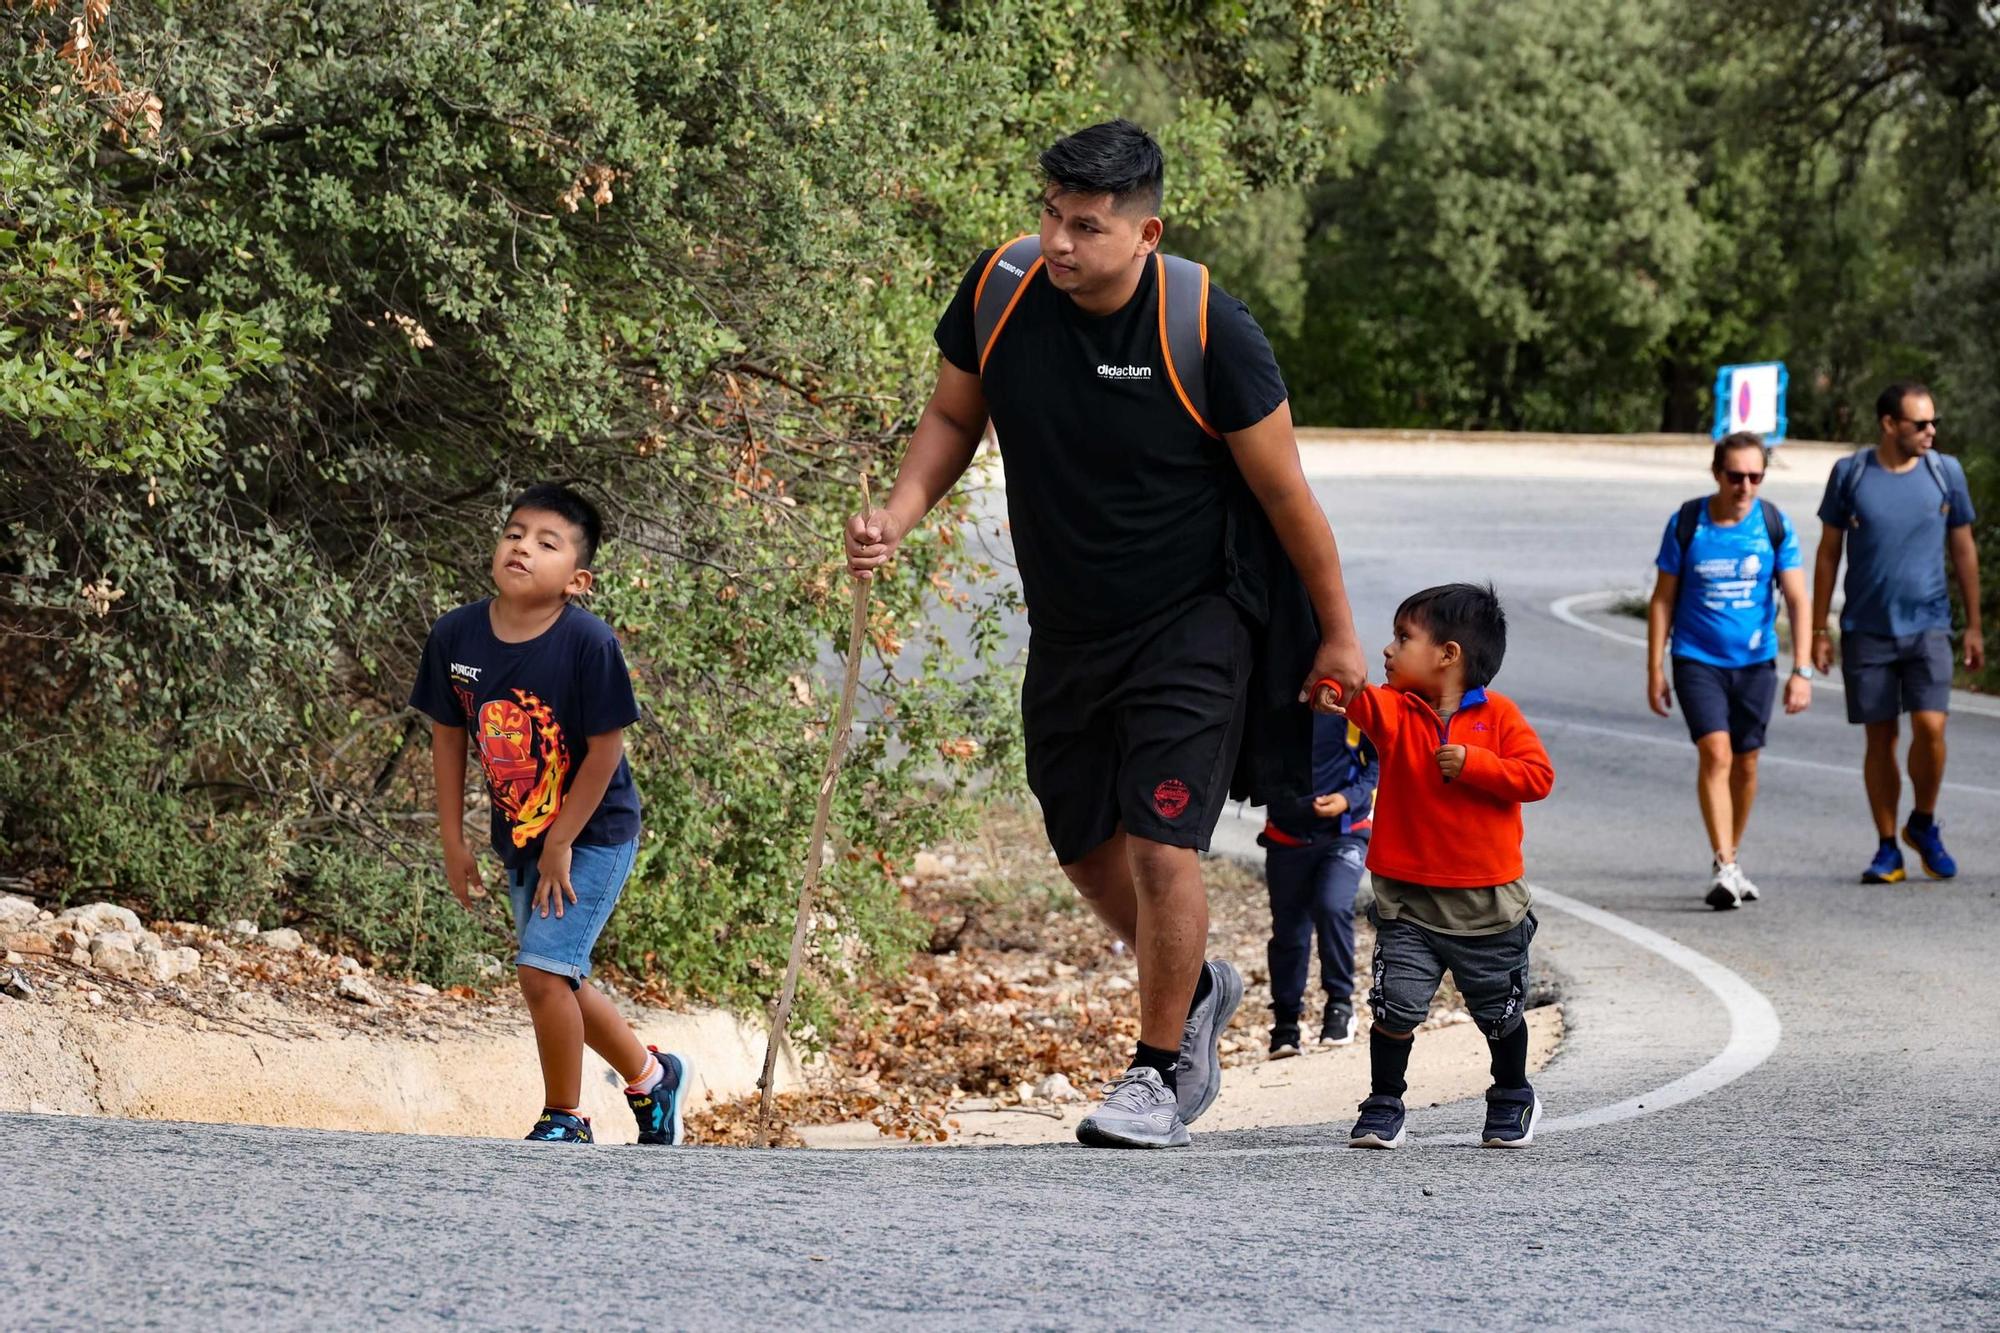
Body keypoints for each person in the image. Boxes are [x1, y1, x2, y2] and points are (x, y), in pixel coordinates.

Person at [844, 120, 1367, 1149]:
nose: (1057, 242)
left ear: (1144, 232)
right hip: (1069, 627)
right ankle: (1196, 983)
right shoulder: (998, 293)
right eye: (1048, 214)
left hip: (1194, 621)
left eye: (1083, 225)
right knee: (1084, 843)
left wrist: (1338, 635)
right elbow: (954, 417)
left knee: (1165, 840)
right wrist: (898, 515)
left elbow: (1285, 493)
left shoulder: (1206, 328)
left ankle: (1156, 1070)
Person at [411, 483, 691, 1145]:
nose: (522, 547)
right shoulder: (456, 635)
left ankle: (565, 1114)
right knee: (556, 974)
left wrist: (562, 839)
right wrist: (455, 840)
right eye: (514, 533)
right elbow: (448, 736)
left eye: (547, 542)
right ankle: (653, 1077)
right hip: (522, 834)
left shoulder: (588, 643)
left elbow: (604, 751)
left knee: (542, 970)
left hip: (593, 831)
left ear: (578, 578)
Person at [1334, 584, 1555, 1151]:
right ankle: (1384, 1102)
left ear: (1448, 654)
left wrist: (1476, 765)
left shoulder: (1500, 717)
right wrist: (1330, 681)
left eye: (1403, 638)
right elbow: (1349, 689)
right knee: (1394, 1005)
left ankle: (1511, 1094)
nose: (1388, 649)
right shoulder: (1393, 711)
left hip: (1487, 905)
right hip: (1407, 900)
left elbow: (1538, 778)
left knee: (1498, 1011)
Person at [1811, 382, 1984, 883]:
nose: (1931, 432)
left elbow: (1964, 550)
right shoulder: (1851, 473)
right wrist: (1820, 629)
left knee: (1931, 728)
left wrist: (1973, 625)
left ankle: (1923, 822)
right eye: (1920, 424)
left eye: (1934, 423)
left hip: (1929, 624)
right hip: (1866, 628)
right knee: (1880, 737)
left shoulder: (1944, 472)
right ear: (1889, 425)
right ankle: (1888, 847)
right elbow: (1827, 552)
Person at [1646, 432, 1812, 910]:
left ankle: (1731, 858)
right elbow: (1662, 599)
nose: (1745, 486)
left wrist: (1801, 669)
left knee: (1746, 762)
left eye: (1755, 476)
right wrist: (1655, 667)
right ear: (1717, 473)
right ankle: (1724, 863)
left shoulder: (1774, 525)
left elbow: (1798, 599)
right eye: (1735, 476)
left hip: (1756, 662)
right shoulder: (1688, 522)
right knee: (1716, 753)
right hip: (1697, 658)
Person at [1257, 713, 1377, 1056]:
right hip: (1286, 838)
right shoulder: (1269, 702)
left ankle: (1340, 1006)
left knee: (1332, 905)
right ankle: (1285, 1024)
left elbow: (1378, 761)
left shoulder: (1351, 702)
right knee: (1289, 932)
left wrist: (1348, 798)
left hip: (1345, 833)